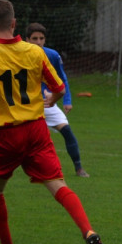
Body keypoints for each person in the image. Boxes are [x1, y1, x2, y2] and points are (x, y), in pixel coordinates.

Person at [0, 0, 108, 244]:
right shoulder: (34, 51)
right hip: (36, 130)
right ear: (14, 23)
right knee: (57, 184)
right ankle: (88, 231)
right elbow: (59, 87)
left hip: (4, 133)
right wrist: (51, 101)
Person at [25, 22, 90, 177]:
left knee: (67, 131)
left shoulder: (52, 55)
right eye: (35, 38)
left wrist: (67, 100)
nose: (38, 42)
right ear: (27, 39)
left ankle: (79, 168)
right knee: (20, 138)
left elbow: (62, 79)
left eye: (41, 38)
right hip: (25, 104)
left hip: (47, 102)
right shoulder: (18, 55)